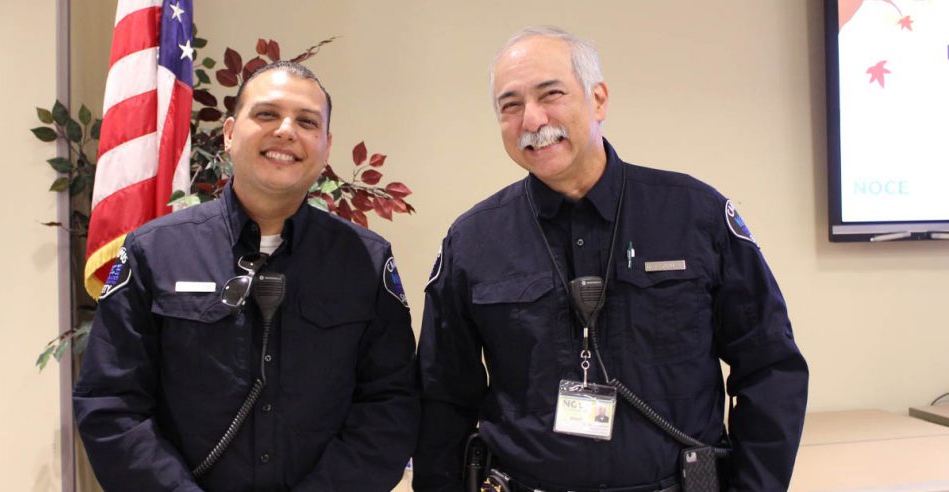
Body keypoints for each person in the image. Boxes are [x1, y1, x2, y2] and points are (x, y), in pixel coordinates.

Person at [414, 26, 808, 492]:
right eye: (510, 105)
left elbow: (770, 366)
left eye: (551, 94)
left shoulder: (694, 214)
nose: (532, 119)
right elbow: (442, 399)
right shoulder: (473, 240)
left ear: (598, 99)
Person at [74, 61, 419, 492]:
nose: (286, 131)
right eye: (267, 114)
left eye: (307, 121)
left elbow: (390, 403)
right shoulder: (154, 252)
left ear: (326, 146)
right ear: (230, 133)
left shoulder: (365, 261)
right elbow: (111, 403)